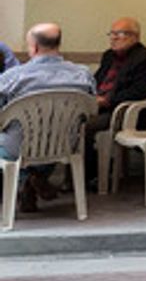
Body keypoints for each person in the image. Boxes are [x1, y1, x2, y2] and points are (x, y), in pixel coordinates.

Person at [0, 24, 96, 213]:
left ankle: (26, 178)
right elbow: (90, 110)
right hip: (64, 143)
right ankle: (35, 178)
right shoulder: (82, 74)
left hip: (17, 147)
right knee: (49, 135)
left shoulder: (13, 77)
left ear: (34, 47)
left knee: (14, 141)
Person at [86, 17, 146, 176]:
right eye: (111, 34)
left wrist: (107, 101)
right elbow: (96, 81)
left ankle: (91, 174)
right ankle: (76, 175)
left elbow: (142, 90)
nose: (113, 38)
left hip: (122, 111)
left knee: (82, 126)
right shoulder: (108, 56)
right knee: (67, 121)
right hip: (98, 106)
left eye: (119, 34)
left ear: (135, 37)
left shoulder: (145, 57)